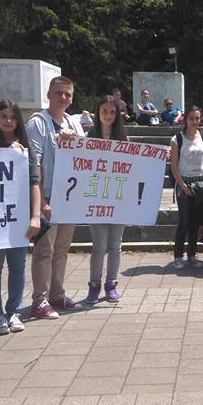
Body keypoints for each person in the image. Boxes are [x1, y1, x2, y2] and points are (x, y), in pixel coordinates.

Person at [0, 99, 42, 335]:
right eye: (3, 116)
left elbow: (34, 183)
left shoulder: (25, 146)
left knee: (17, 265)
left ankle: (13, 310)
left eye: (12, 117)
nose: (8, 121)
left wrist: (35, 216)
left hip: (18, 216)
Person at [26, 76, 86, 319]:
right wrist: (42, 201)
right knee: (44, 249)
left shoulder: (74, 122)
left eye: (67, 94)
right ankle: (39, 299)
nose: (63, 98)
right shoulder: (37, 123)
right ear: (49, 94)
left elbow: (85, 156)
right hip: (48, 194)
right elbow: (35, 164)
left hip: (68, 196)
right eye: (59, 93)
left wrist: (73, 141)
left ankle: (57, 293)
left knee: (62, 248)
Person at [86, 96, 126, 303]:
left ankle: (111, 284)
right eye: (104, 111)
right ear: (97, 113)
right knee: (99, 245)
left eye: (112, 112)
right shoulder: (89, 138)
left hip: (118, 198)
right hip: (96, 198)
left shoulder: (124, 141)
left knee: (115, 244)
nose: (108, 115)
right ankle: (94, 285)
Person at [170, 105, 203, 269]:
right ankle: (178, 255)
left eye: (197, 118)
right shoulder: (177, 139)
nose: (194, 121)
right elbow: (173, 166)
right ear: (185, 119)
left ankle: (192, 255)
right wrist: (183, 186)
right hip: (183, 182)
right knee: (184, 221)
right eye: (191, 118)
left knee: (195, 221)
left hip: (199, 183)